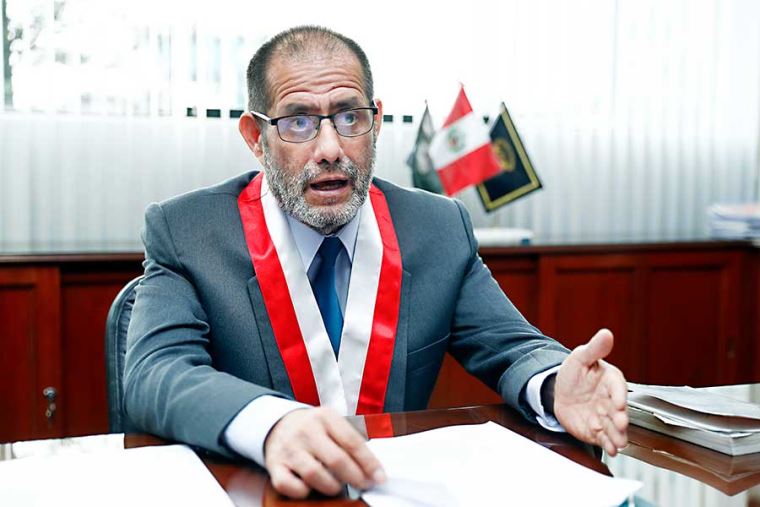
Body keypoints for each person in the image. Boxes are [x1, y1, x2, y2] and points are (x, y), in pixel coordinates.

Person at [124, 25, 628, 500]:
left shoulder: (436, 227)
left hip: (392, 491)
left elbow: (514, 348)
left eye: (350, 117)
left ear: (377, 122)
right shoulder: (188, 232)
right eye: (298, 121)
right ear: (256, 137)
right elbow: (156, 373)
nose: (329, 148)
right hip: (260, 493)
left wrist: (553, 383)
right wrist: (270, 424)